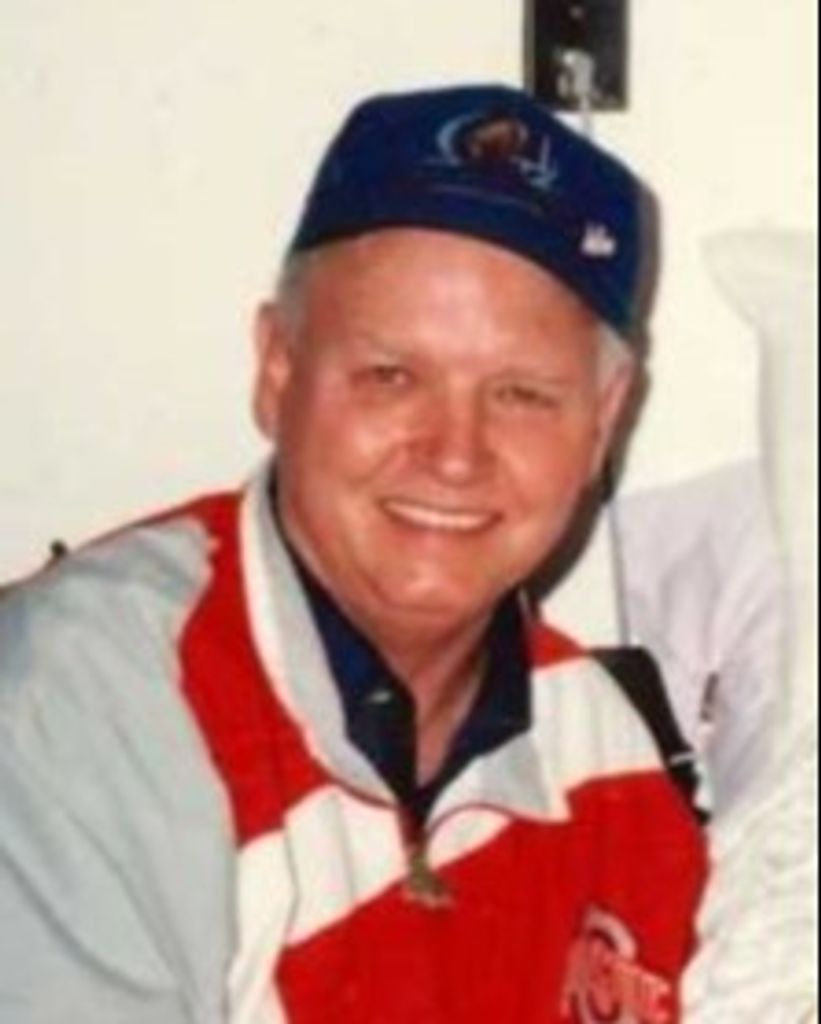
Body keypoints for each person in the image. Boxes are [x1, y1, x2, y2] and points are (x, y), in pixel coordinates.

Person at [0, 84, 707, 1023]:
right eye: (390, 376)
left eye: (522, 395)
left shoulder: (602, 758)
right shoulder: (90, 697)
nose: (454, 455)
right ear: (276, 371)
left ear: (601, 425)